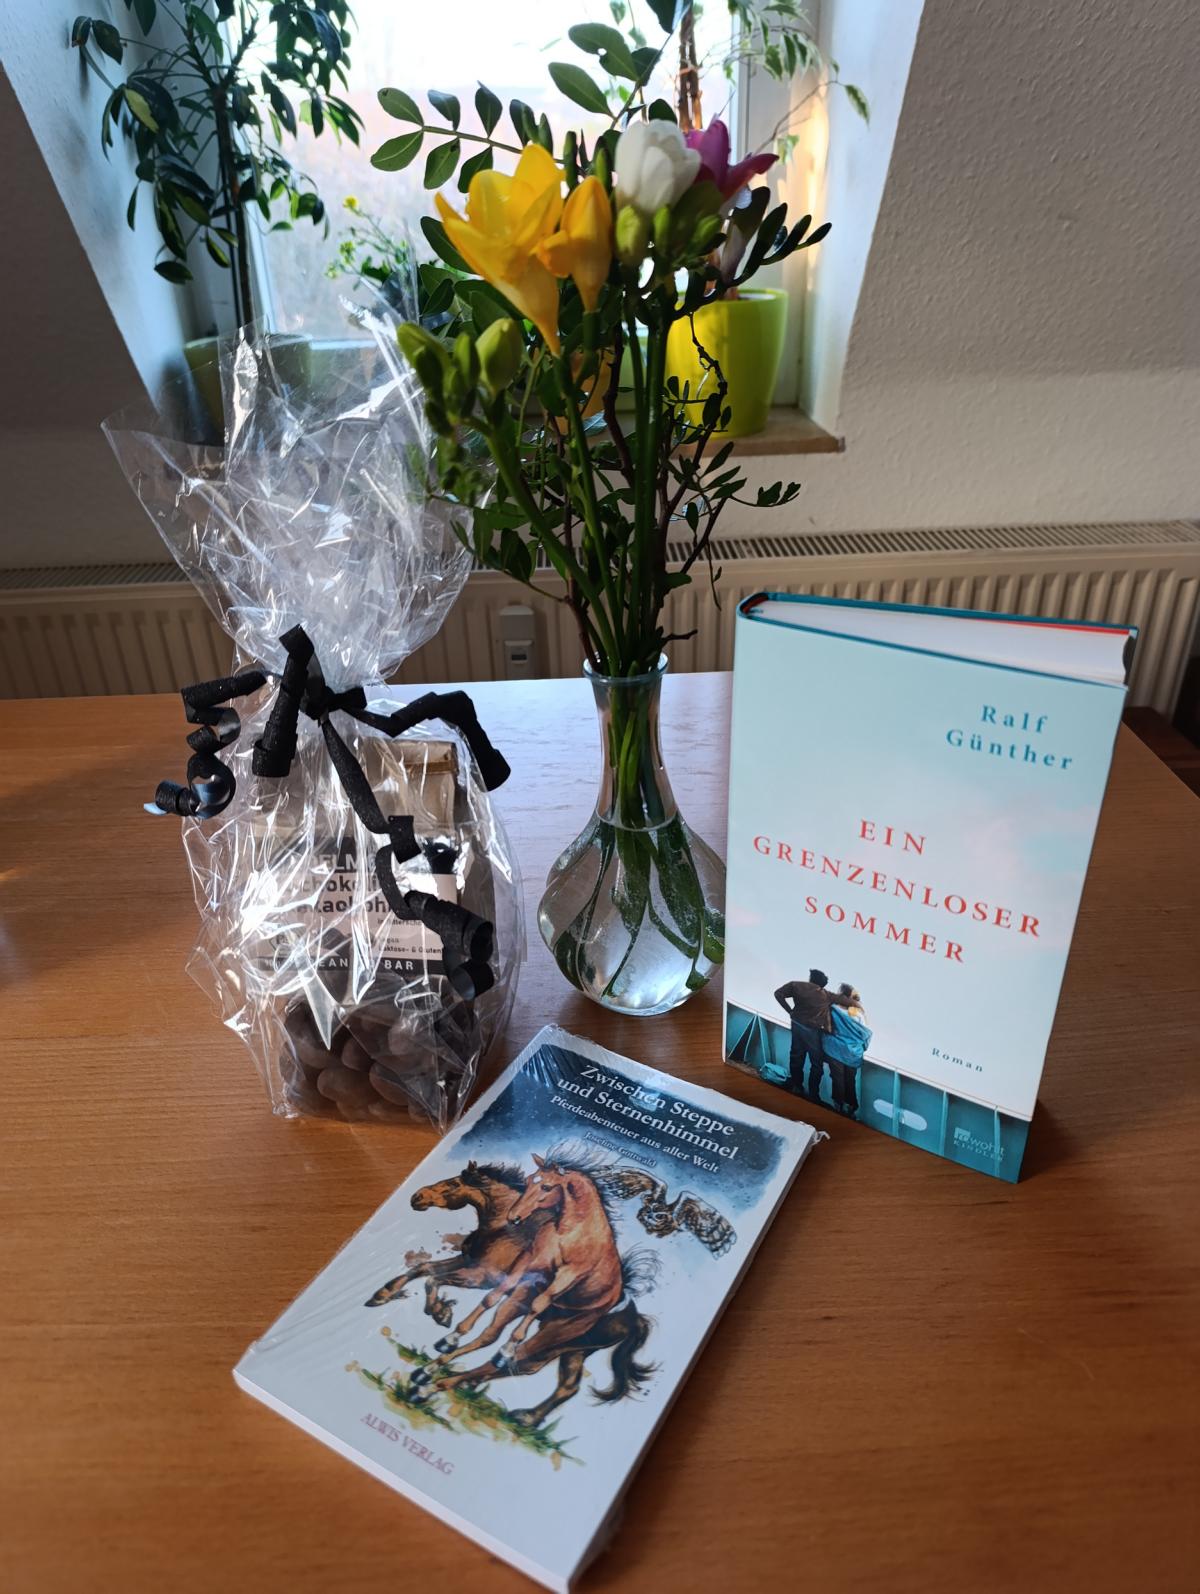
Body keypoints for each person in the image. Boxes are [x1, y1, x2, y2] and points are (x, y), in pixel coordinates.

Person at [774, 970, 833, 1102]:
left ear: (811, 979)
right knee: (817, 1064)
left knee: (796, 1057)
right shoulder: (825, 996)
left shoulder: (796, 985)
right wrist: (828, 1032)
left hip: (797, 1026)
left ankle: (797, 1087)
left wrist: (790, 1011)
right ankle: (813, 1094)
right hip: (813, 1032)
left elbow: (778, 994)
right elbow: (827, 1020)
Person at [828, 984, 867, 1115]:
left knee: (837, 1078)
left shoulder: (832, 1010)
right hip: (852, 1053)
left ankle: (838, 1105)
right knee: (850, 1079)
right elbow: (864, 1034)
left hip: (835, 1049)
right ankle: (851, 1106)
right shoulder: (858, 1014)